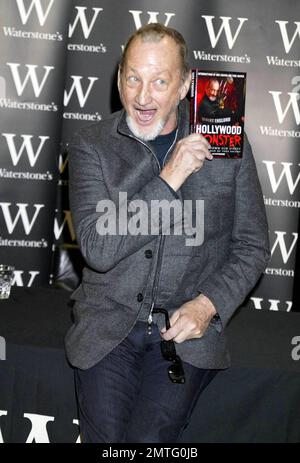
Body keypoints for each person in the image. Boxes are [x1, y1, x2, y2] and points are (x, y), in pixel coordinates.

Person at [65, 23, 270, 443]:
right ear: (119, 75)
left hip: (185, 333)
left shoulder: (227, 143)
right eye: (133, 78)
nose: (143, 96)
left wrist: (208, 305)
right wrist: (169, 178)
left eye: (159, 81)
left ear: (184, 85)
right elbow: (99, 249)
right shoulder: (91, 146)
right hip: (108, 327)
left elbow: (251, 245)